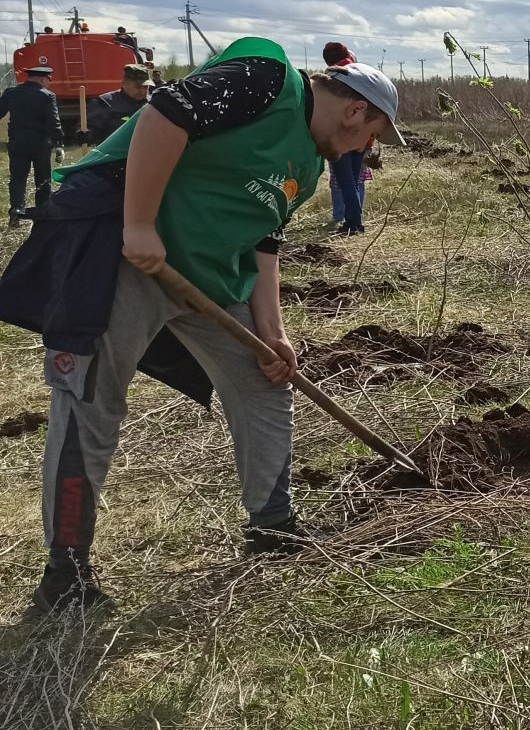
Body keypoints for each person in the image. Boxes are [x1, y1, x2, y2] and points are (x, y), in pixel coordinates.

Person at [0, 36, 406, 615]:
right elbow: (165, 114)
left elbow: (263, 240)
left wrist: (273, 331)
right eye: (370, 137)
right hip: (124, 251)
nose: (364, 150)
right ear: (355, 109)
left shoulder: (309, 165)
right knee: (90, 404)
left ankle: (274, 524)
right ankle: (66, 571)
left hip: (209, 277)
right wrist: (139, 224)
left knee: (265, 383)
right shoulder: (266, 78)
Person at [320, 42, 372, 233]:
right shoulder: (364, 74)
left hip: (342, 137)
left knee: (346, 182)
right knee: (356, 180)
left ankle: (353, 224)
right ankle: (355, 220)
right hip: (364, 136)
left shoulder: (334, 78)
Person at [2, 65, 62, 227]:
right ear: (43, 79)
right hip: (40, 143)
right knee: (43, 179)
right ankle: (42, 213)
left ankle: (16, 211)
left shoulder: (11, 93)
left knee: (18, 177)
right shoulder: (48, 96)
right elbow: (53, 121)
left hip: (17, 142)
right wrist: (59, 144)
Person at [87, 64, 156, 142]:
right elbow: (90, 129)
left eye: (146, 87)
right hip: (115, 152)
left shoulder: (153, 103)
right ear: (124, 84)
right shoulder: (105, 103)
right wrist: (87, 135)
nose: (143, 91)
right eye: (138, 87)